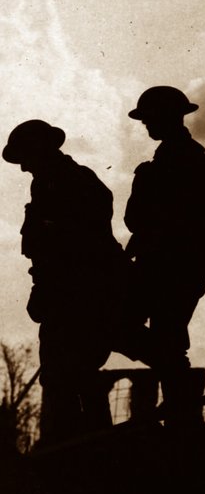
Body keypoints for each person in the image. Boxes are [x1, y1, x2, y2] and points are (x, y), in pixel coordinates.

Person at [4, 120, 132, 444]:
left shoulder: (74, 182)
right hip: (63, 293)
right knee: (67, 374)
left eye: (25, 158)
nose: (22, 168)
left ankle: (84, 446)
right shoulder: (47, 184)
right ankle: (77, 443)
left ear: (41, 151)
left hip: (83, 293)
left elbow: (80, 243)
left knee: (76, 371)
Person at [124, 85, 205, 423]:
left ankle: (181, 407)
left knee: (150, 332)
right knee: (162, 338)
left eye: (150, 118)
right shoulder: (173, 157)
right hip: (169, 265)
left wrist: (181, 256)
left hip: (174, 268)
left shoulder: (183, 159)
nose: (146, 125)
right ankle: (180, 399)